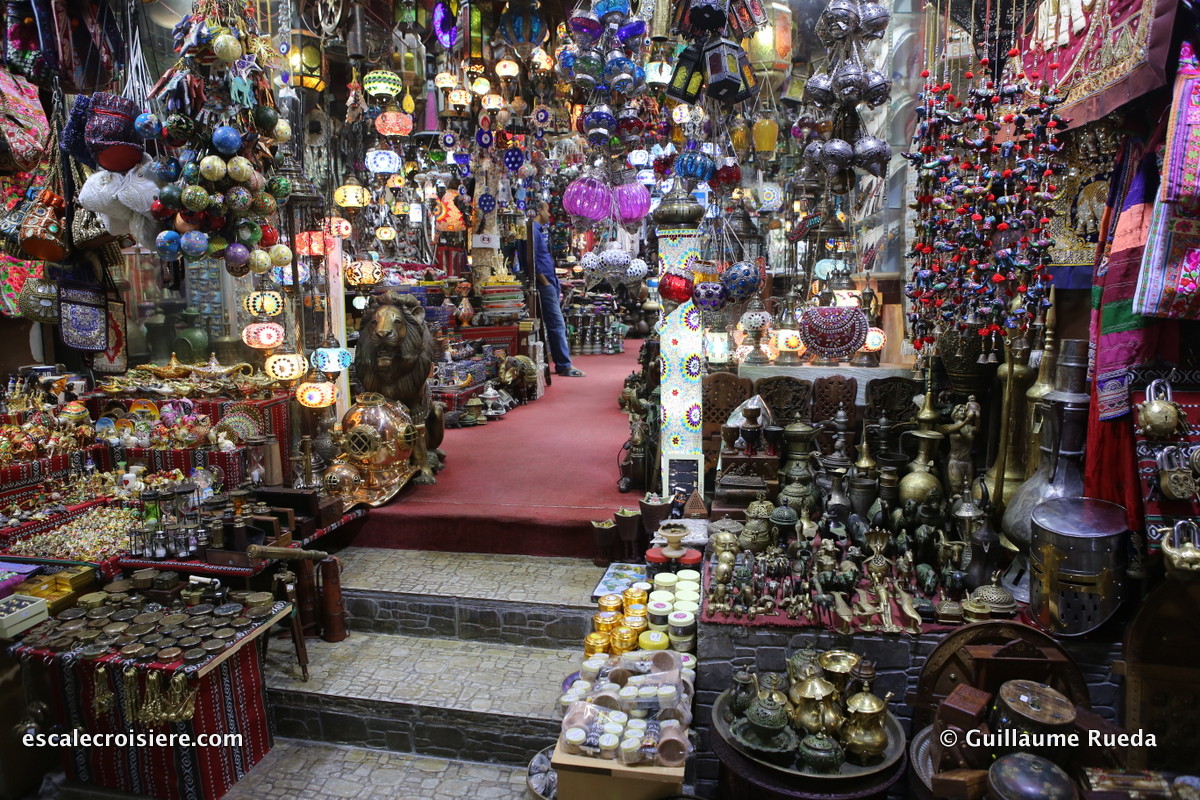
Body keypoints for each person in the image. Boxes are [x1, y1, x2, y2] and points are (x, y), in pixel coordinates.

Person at [520, 201, 585, 377]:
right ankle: (564, 365)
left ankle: (562, 363)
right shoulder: (532, 230)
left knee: (556, 324)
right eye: (548, 211)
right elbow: (529, 259)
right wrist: (544, 281)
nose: (550, 215)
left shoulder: (540, 232)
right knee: (557, 324)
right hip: (544, 284)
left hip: (550, 282)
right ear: (539, 210)